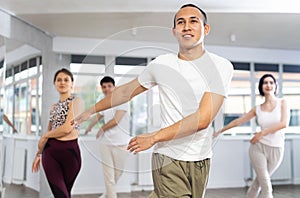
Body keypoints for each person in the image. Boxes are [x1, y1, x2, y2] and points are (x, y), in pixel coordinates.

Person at [74, 4, 233, 197]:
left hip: (202, 159)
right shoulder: (161, 64)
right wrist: (90, 111)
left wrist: (153, 136)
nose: (187, 26)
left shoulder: (220, 66)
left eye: (194, 21)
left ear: (205, 29)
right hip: (167, 158)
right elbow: (124, 92)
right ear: (174, 32)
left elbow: (203, 119)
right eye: (180, 22)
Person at [214, 74, 290, 198]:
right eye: (265, 82)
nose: (268, 85)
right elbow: (238, 121)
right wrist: (220, 131)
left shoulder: (283, 103)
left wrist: (262, 133)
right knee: (266, 186)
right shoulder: (258, 108)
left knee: (257, 184)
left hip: (277, 149)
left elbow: (284, 124)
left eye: (271, 82)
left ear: (276, 86)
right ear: (261, 87)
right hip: (258, 148)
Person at [32, 68, 83, 198]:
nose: (62, 82)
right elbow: (50, 130)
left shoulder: (76, 102)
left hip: (71, 154)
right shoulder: (53, 107)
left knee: (66, 193)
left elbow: (66, 129)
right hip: (51, 153)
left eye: (66, 80)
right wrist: (39, 154)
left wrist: (45, 136)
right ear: (54, 84)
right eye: (59, 80)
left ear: (72, 83)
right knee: (61, 195)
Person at [85, 76, 131, 198]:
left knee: (117, 173)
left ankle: (106, 195)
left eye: (109, 86)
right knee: (108, 177)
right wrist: (89, 126)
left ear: (114, 87)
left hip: (121, 144)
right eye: (104, 87)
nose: (106, 89)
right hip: (105, 144)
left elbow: (116, 120)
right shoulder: (104, 103)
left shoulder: (123, 101)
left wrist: (102, 128)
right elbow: (98, 116)